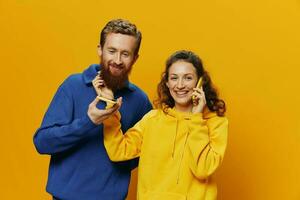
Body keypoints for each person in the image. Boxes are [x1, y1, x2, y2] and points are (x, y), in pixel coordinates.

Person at [33, 19, 152, 200]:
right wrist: (88, 122)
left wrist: (117, 169)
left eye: (125, 54)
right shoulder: (73, 86)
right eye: (111, 51)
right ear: (100, 50)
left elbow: (150, 149)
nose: (117, 60)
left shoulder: (139, 100)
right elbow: (42, 143)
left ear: (135, 58)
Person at [98, 50, 228, 200]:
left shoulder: (216, 123)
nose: (180, 85)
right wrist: (109, 108)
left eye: (188, 78)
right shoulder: (152, 119)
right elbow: (119, 151)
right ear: (167, 82)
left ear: (200, 82)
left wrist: (197, 118)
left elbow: (203, 169)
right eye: (174, 78)